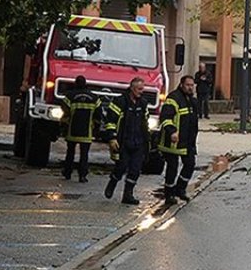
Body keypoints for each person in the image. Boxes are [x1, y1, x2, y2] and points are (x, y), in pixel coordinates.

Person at [104, 77, 151, 205]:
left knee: (135, 169)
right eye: (139, 89)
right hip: (123, 141)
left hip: (138, 141)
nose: (141, 92)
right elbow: (110, 120)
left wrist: (148, 141)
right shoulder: (120, 101)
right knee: (121, 166)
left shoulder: (143, 103)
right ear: (132, 88)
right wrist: (112, 137)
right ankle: (112, 182)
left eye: (143, 89)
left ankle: (128, 194)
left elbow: (145, 122)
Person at [159, 75, 200, 205]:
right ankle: (169, 194)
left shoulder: (192, 101)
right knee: (172, 167)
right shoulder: (173, 98)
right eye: (188, 85)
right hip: (173, 141)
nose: (190, 87)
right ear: (182, 85)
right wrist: (172, 131)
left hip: (187, 141)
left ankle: (180, 189)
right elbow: (165, 118)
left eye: (192, 85)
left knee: (190, 164)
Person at [60, 75, 99, 182]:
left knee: (70, 152)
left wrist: (64, 123)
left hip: (72, 130)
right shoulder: (94, 98)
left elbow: (64, 109)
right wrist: (96, 126)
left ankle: (67, 172)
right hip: (87, 132)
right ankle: (82, 175)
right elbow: (98, 114)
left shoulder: (70, 96)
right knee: (84, 154)